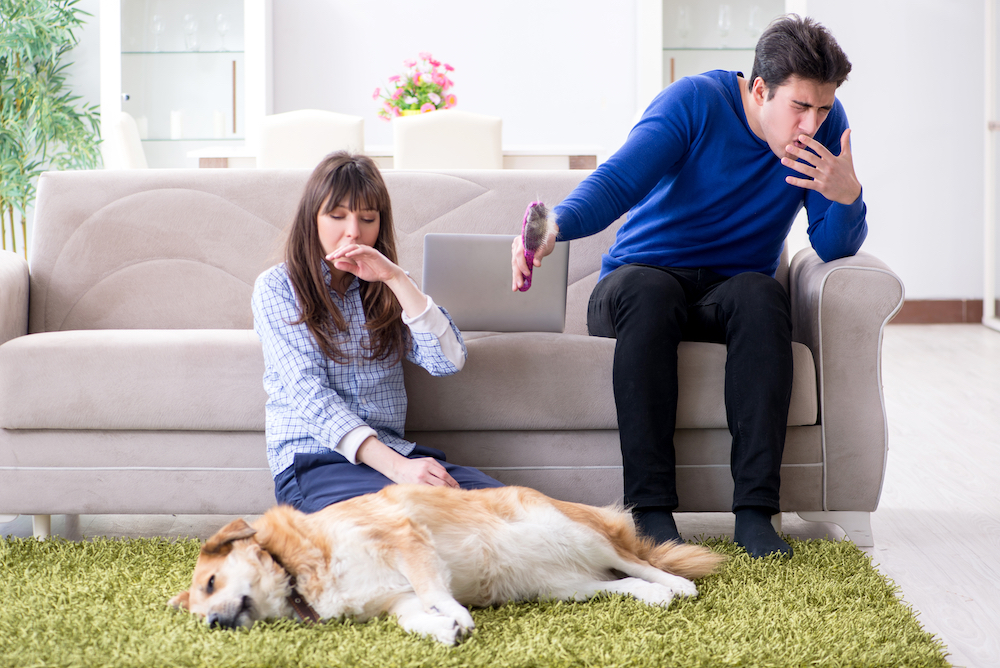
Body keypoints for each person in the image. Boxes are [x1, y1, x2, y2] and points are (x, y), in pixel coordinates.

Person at [511, 15, 866, 558]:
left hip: (724, 293)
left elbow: (835, 247)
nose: (811, 124)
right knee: (651, 296)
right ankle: (651, 512)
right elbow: (619, 180)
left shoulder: (824, 126)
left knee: (763, 294)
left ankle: (755, 513)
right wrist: (557, 224)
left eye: (822, 108)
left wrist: (847, 196)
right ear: (758, 89)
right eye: (799, 107)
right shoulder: (694, 102)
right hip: (638, 282)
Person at [253, 151, 502, 513]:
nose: (353, 231)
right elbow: (309, 395)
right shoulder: (277, 286)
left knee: (504, 510)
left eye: (367, 218)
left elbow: (449, 361)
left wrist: (397, 279)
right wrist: (399, 468)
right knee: (399, 526)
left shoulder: (389, 286)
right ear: (313, 219)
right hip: (315, 461)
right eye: (337, 216)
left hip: (392, 457)